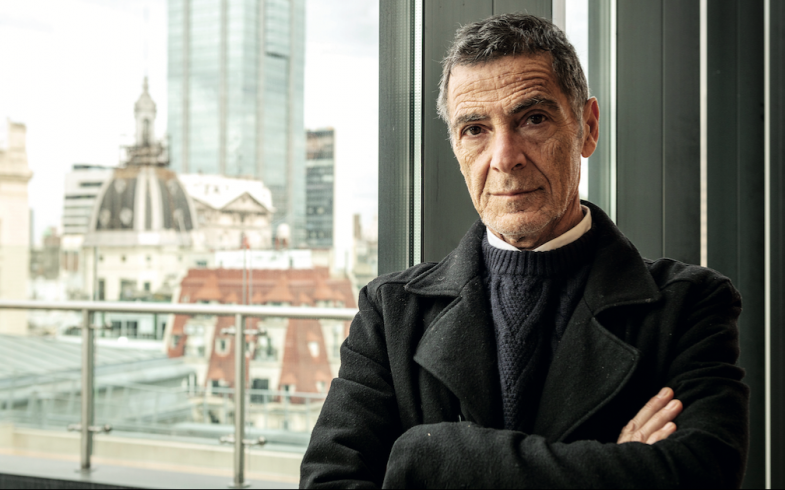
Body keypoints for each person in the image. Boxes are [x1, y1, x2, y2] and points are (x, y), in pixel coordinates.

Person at [300, 13, 749, 488]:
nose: (505, 157)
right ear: (456, 147)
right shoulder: (390, 312)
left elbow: (703, 475)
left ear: (588, 127)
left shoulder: (690, 304)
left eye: (533, 119)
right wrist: (615, 467)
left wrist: (432, 457)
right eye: (475, 129)